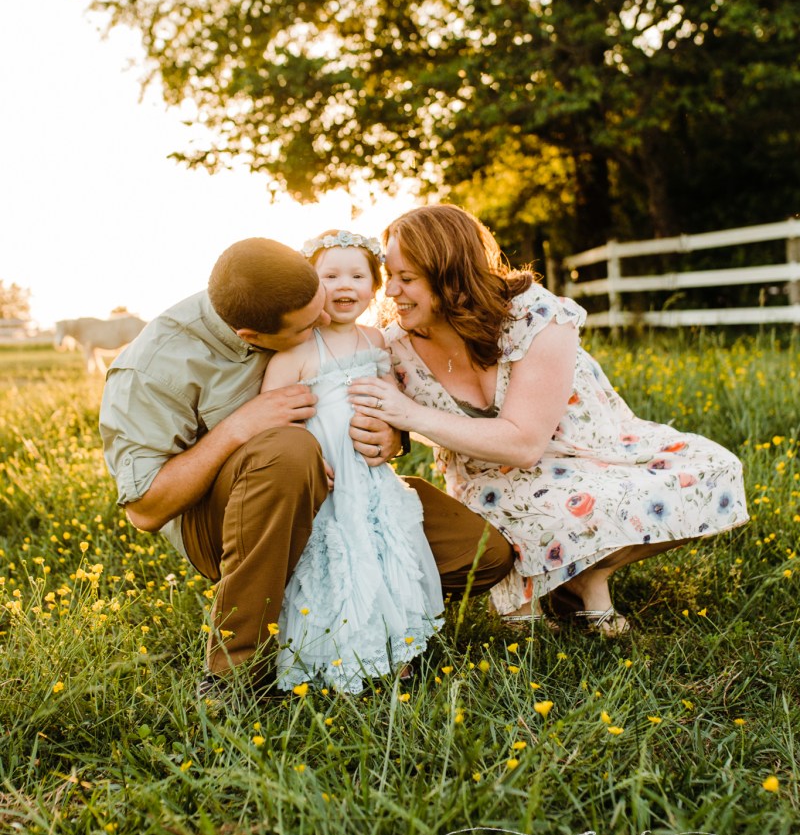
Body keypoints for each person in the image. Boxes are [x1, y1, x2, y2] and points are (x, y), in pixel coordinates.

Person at [99, 236, 512, 699]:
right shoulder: (154, 367)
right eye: (306, 325)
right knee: (289, 450)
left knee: (483, 555)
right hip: (228, 522)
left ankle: (363, 623)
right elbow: (146, 509)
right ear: (252, 338)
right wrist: (239, 428)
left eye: (321, 302)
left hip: (349, 493)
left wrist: (391, 438)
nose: (324, 319)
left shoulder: (287, 285)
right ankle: (235, 674)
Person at [349, 206, 749, 635]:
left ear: (450, 274)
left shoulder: (533, 315)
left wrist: (408, 414)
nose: (390, 291)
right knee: (544, 512)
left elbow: (524, 444)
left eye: (406, 279)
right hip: (490, 479)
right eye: (389, 276)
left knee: (716, 472)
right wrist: (391, 436)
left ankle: (587, 574)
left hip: (590, 450)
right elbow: (380, 422)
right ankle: (571, 580)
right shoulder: (394, 346)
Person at [262, 231, 443, 692]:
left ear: (375, 284)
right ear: (311, 286)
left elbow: (397, 404)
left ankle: (392, 647)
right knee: (333, 559)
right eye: (331, 275)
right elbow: (272, 415)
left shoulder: (378, 340)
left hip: (369, 471)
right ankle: (335, 654)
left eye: (358, 275)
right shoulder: (298, 348)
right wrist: (302, 453)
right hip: (326, 473)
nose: (346, 285)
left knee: (382, 554)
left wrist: (391, 431)